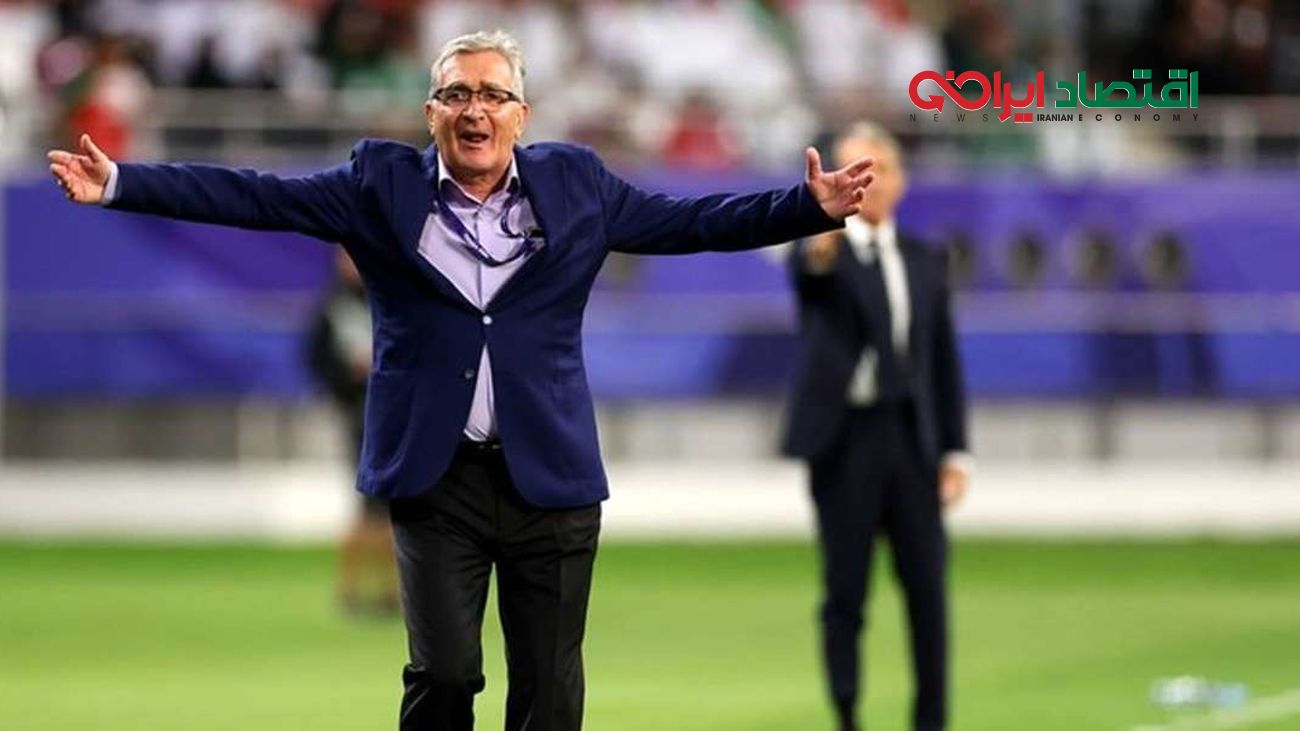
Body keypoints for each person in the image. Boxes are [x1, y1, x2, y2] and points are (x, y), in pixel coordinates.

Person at [48, 29, 874, 731]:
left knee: (550, 691)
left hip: (549, 475)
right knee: (444, 675)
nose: (475, 109)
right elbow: (253, 196)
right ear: (431, 111)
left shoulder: (577, 183)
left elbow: (692, 221)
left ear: (522, 113)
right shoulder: (378, 184)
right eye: (456, 94)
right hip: (436, 475)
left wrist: (807, 207)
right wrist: (120, 182)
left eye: (492, 94)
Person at [781, 121, 972, 731]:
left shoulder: (924, 258)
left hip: (911, 437)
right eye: (853, 169)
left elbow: (941, 359)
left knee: (928, 590)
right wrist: (819, 227)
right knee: (845, 593)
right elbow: (808, 276)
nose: (866, 181)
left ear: (898, 180)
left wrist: (955, 451)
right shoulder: (825, 251)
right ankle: (847, 714)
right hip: (845, 440)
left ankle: (931, 720)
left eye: (876, 168)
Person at [306, 249, 398, 616]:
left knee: (381, 508)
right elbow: (318, 361)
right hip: (360, 414)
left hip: (391, 414)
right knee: (373, 507)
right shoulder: (334, 309)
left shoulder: (386, 299)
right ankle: (361, 589)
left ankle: (381, 590)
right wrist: (349, 379)